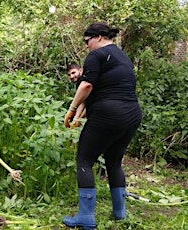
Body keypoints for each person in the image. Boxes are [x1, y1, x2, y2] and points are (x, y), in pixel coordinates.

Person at [62, 23, 142, 229]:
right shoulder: (122, 56)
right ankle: (120, 213)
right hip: (132, 113)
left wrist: (71, 110)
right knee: (113, 161)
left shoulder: (96, 56)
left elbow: (86, 85)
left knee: (84, 159)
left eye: (86, 41)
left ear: (97, 37)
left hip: (109, 113)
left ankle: (86, 217)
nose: (86, 46)